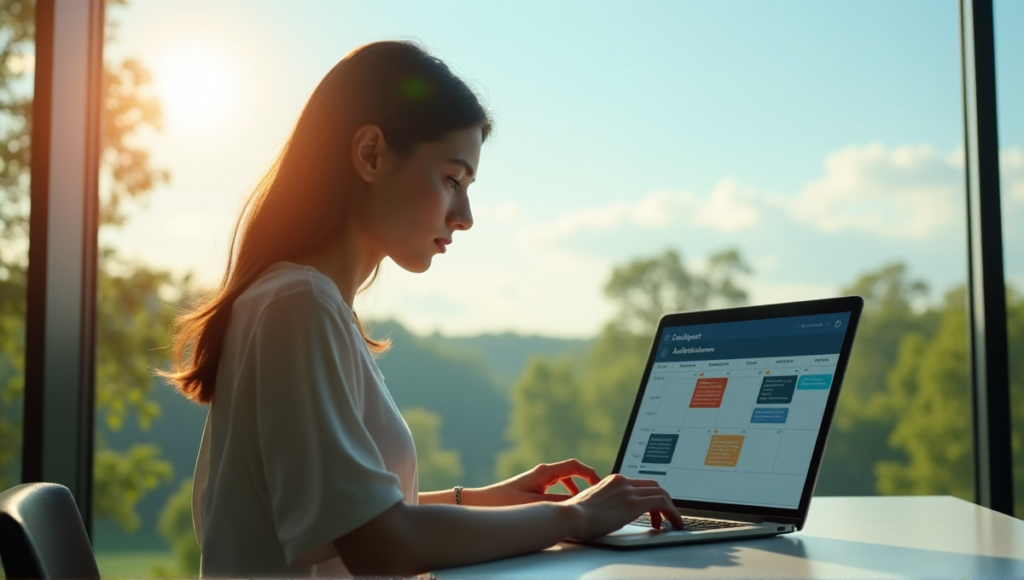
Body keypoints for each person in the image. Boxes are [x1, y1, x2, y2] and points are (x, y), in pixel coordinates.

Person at [164, 40, 682, 578]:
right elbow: (381, 545)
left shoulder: (295, 301)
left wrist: (485, 499)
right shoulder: (299, 305)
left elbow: (358, 519)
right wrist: (574, 514)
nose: (466, 216)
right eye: (452, 180)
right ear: (370, 154)